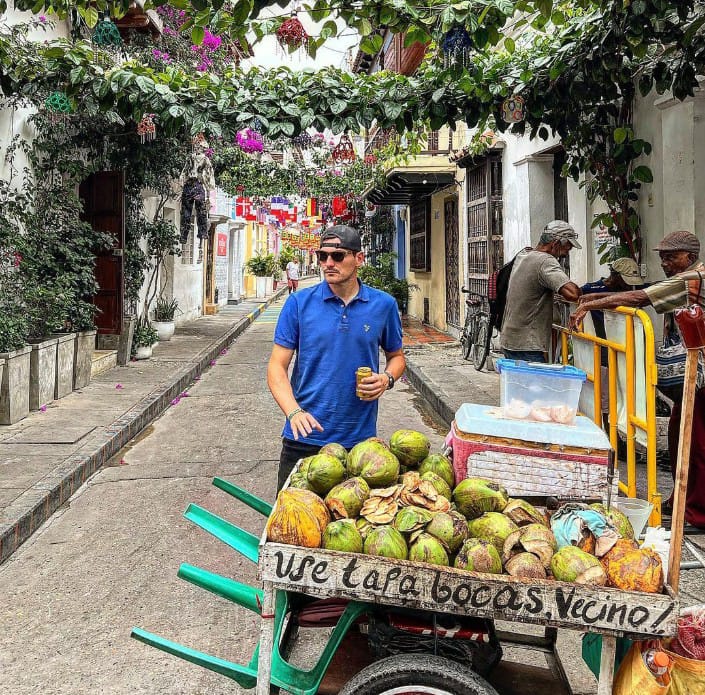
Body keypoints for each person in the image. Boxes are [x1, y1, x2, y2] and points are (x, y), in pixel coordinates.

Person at [570, 230, 705, 528]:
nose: (665, 264)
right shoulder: (687, 276)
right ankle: (682, 499)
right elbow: (648, 288)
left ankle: (697, 511)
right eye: (662, 258)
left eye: (671, 257)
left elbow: (641, 296)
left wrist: (591, 304)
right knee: (681, 432)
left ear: (690, 257)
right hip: (693, 376)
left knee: (695, 442)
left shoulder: (692, 279)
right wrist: (596, 297)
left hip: (700, 376)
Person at [267, 225, 406, 490]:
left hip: (359, 444)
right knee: (287, 527)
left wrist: (386, 379)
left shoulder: (383, 305)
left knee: (350, 527)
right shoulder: (298, 303)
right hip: (303, 436)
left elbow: (397, 357)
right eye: (323, 256)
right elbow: (276, 367)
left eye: (338, 256)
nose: (328, 263)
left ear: (359, 259)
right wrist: (293, 412)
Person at [500, 220, 582, 362]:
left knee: (519, 384)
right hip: (527, 345)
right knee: (534, 384)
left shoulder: (524, 255)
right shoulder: (545, 261)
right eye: (567, 248)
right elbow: (573, 294)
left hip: (510, 339)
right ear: (555, 243)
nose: (566, 254)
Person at [580, 258, 646, 417]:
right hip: (602, 348)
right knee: (605, 393)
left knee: (626, 389)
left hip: (626, 346)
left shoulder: (632, 291)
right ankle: (610, 430)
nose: (630, 285)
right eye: (626, 280)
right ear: (615, 276)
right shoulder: (590, 289)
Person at [179, 134, 216, 245]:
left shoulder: (206, 160)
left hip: (198, 185)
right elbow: (185, 170)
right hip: (189, 185)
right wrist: (182, 181)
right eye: (196, 146)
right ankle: (184, 235)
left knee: (201, 211)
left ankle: (202, 233)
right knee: (186, 213)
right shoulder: (191, 157)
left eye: (199, 146)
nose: (197, 148)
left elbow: (209, 175)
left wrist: (209, 193)